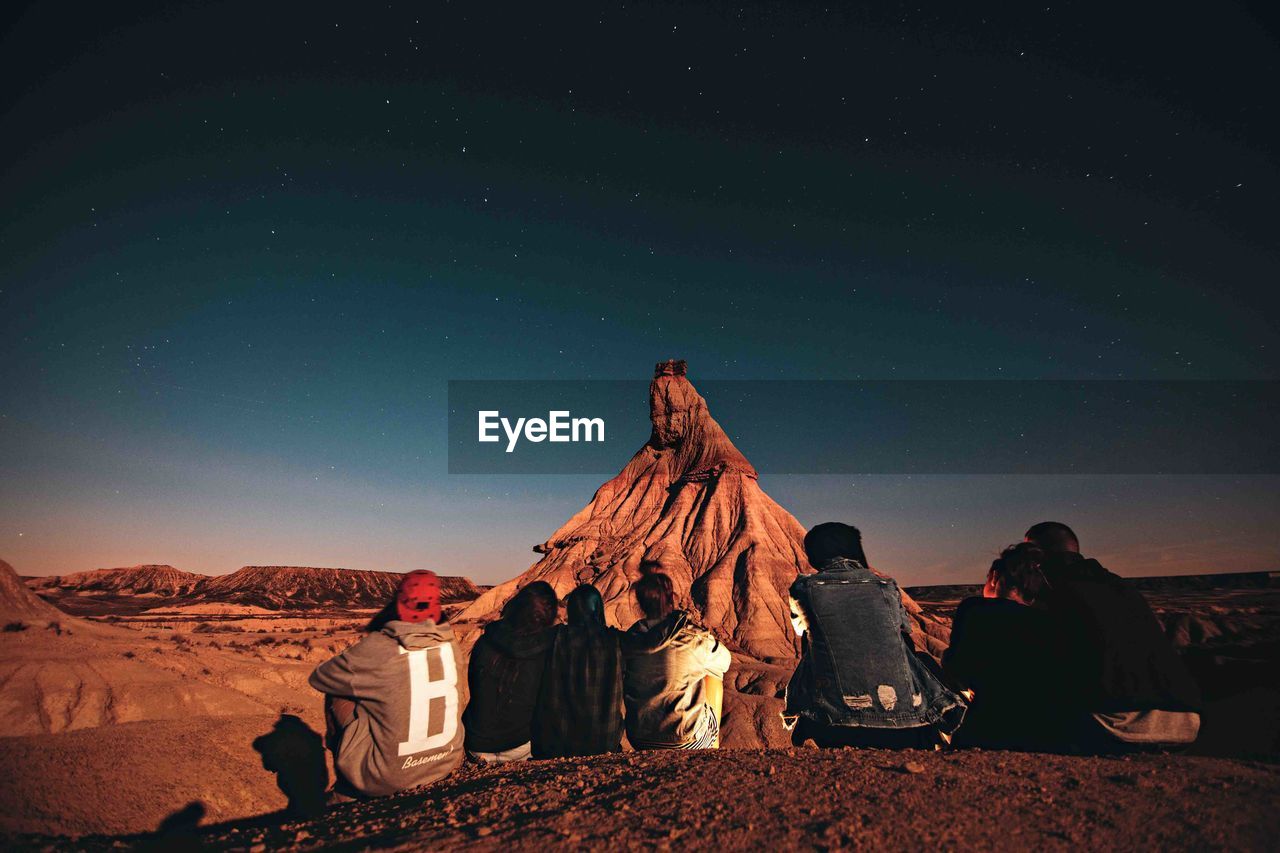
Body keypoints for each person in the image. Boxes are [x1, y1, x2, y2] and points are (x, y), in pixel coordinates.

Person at [784, 522, 966, 748]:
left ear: (813, 556)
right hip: (907, 720)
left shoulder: (804, 587)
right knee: (917, 656)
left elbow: (802, 631)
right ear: (856, 551)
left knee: (813, 641)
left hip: (832, 720)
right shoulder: (886, 585)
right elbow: (904, 637)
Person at [1024, 521, 1201, 751]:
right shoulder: (1123, 588)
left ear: (1036, 554)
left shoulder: (1050, 590)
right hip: (1186, 723)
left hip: (1113, 723)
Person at [308, 570, 464, 798]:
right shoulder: (450, 644)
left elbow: (320, 677)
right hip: (446, 764)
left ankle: (347, 786)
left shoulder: (378, 646)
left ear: (399, 601)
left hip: (386, 778)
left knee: (339, 691)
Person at [943, 543, 1076, 750]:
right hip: (1048, 729)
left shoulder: (975, 609)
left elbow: (957, 668)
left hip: (989, 725)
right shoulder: (1050, 620)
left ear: (995, 578)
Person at [621, 572, 731, 750]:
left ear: (640, 604)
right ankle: (712, 750)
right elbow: (725, 661)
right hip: (686, 739)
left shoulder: (631, 638)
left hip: (639, 739)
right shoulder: (693, 636)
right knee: (713, 673)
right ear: (672, 598)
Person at [462, 581, 558, 763]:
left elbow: (475, 689)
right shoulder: (547, 651)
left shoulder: (484, 641)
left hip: (476, 746)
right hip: (519, 747)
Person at [532, 583, 625, 758]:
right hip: (605, 741)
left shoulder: (557, 637)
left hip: (560, 742)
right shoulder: (614, 639)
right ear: (598, 608)